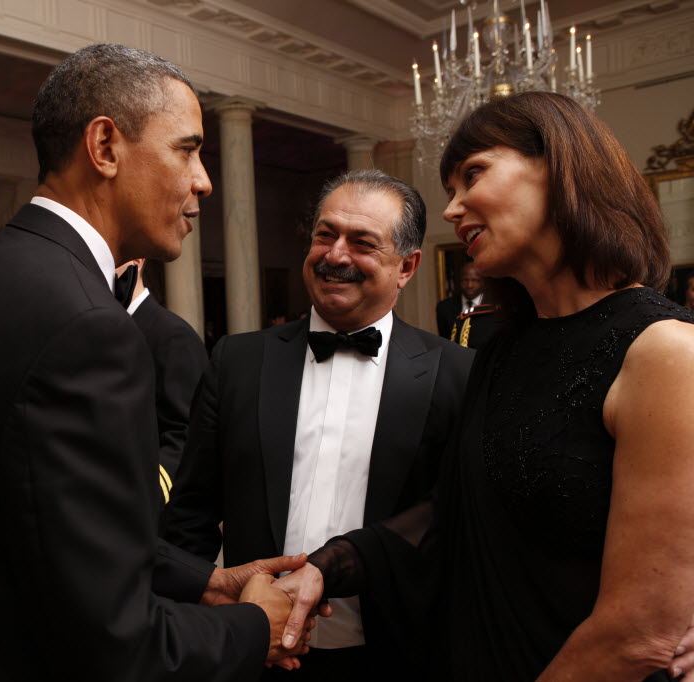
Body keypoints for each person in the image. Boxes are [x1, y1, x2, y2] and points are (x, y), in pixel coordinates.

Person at [0, 44, 310, 682]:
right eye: (186, 150)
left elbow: (27, 522)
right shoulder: (89, 327)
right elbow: (116, 643)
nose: (203, 180)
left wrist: (204, 581)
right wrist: (256, 625)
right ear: (105, 147)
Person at [276, 92, 694, 681]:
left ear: (561, 167)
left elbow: (637, 637)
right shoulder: (500, 350)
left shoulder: (664, 350)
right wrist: (327, 567)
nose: (452, 208)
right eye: (451, 189)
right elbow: (450, 513)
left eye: (473, 174)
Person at [162, 170, 473, 679]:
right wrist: (192, 628)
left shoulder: (457, 374)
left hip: (401, 655)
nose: (336, 255)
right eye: (325, 235)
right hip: (254, 651)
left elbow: (452, 523)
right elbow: (190, 515)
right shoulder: (237, 362)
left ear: (407, 266)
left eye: (363, 242)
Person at [115, 258, 208, 502]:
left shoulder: (172, 335)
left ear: (136, 261)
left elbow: (186, 435)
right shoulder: (108, 330)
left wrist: (145, 496)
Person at [435, 261, 484, 338]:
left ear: (483, 282)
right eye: (465, 280)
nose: (469, 285)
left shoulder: (493, 306)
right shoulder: (444, 307)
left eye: (475, 280)